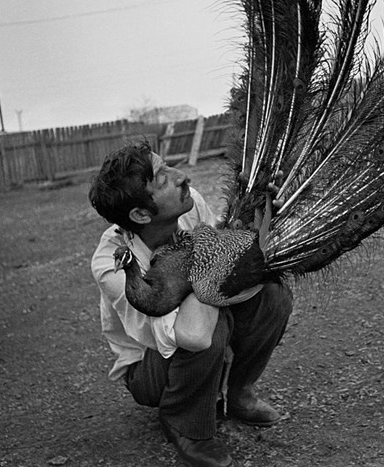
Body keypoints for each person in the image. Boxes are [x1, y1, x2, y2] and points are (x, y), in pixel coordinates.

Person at [89, 140, 293, 467]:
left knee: (273, 295)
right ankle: (185, 424)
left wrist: (258, 212)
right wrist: (216, 263)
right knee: (209, 326)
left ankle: (238, 392)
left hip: (188, 329)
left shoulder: (190, 203)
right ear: (140, 214)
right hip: (149, 367)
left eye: (169, 166)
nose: (182, 175)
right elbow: (191, 333)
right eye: (163, 179)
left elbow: (228, 258)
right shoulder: (110, 266)